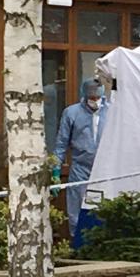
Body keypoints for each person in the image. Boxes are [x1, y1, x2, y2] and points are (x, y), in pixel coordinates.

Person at [53, 78, 108, 245]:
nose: (95, 102)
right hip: (80, 168)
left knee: (103, 210)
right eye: (91, 98)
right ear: (84, 95)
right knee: (76, 212)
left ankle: (101, 247)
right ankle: (77, 247)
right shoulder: (72, 113)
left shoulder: (113, 112)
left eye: (97, 98)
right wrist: (55, 170)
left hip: (105, 169)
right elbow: (61, 144)